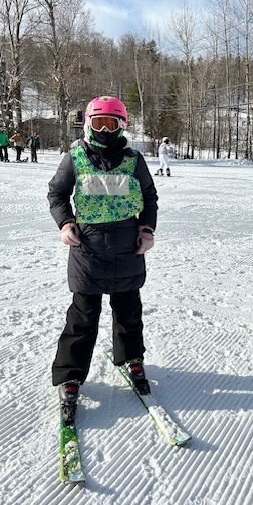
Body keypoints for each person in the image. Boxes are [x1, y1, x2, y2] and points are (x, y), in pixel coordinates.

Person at [48, 95, 158, 417]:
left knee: (128, 311)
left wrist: (147, 229)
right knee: (83, 315)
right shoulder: (75, 157)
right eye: (99, 123)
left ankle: (132, 359)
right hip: (89, 248)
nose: (106, 130)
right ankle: (70, 375)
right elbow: (57, 193)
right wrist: (66, 222)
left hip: (127, 246)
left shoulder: (134, 159)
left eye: (112, 123)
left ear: (122, 126)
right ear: (88, 125)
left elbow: (149, 196)